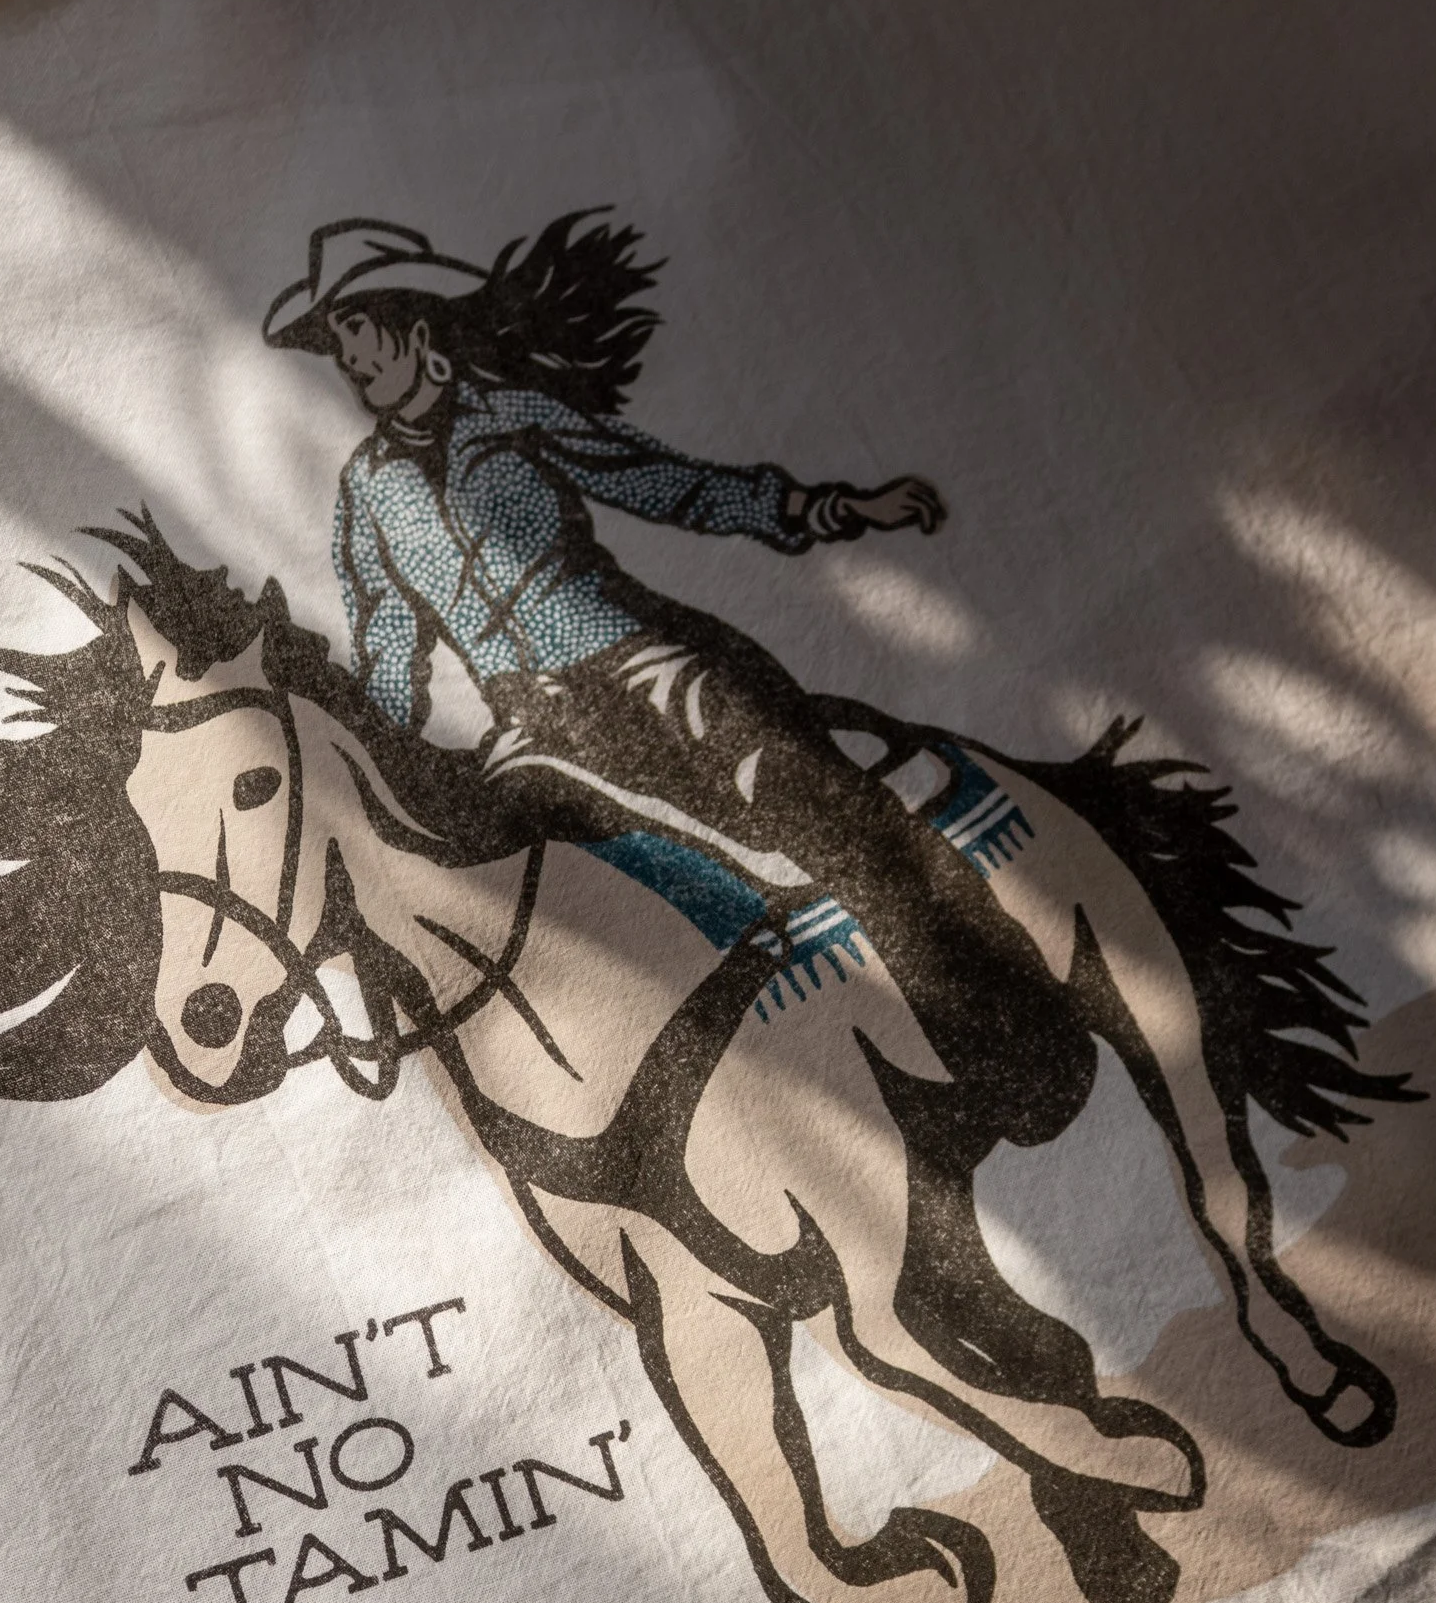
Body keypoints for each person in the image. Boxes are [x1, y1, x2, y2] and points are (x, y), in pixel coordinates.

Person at [263, 210, 1087, 1143]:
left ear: (417, 327)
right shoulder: (368, 491)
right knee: (555, 914)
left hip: (644, 661)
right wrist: (373, 763)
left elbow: (667, 481)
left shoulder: (515, 416)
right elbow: (386, 645)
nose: (348, 359)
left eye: (359, 331)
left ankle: (1009, 1031)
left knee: (808, 799)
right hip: (529, 726)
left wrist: (825, 507)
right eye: (337, 344)